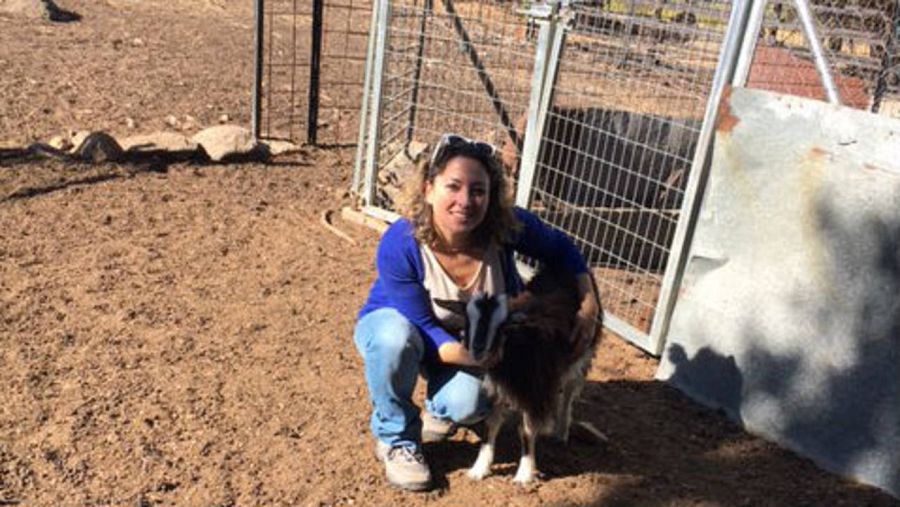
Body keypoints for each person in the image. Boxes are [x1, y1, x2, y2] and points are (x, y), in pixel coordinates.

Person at [353, 133, 600, 491]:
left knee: (472, 404)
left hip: (473, 336)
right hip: (415, 331)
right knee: (395, 339)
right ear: (428, 188)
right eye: (453, 186)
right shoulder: (401, 243)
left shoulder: (504, 226)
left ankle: (441, 408)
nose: (465, 201)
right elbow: (424, 327)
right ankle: (396, 437)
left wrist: (589, 304)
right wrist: (481, 357)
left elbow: (563, 250)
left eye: (478, 190)